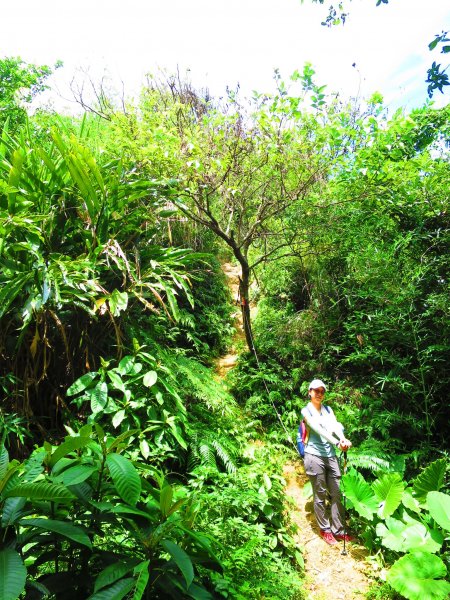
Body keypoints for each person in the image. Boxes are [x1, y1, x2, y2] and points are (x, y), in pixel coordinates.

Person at [301, 379, 353, 545]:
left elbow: (335, 426)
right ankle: (325, 529)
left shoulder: (328, 410)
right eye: (316, 390)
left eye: (322, 391)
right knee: (320, 494)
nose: (319, 394)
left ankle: (339, 530)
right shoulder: (306, 411)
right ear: (309, 392)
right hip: (314, 456)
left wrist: (343, 439)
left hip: (330, 456)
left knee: (337, 493)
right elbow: (319, 429)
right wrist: (337, 443)